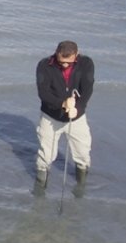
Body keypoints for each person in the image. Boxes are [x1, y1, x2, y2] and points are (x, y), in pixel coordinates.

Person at [35, 40, 94, 193]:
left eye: (69, 62)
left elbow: (87, 90)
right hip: (50, 117)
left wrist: (78, 108)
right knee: (45, 157)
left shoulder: (86, 63)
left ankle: (80, 189)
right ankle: (40, 191)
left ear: (77, 55)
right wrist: (62, 103)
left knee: (83, 154)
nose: (65, 65)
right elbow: (43, 93)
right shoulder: (44, 65)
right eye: (61, 62)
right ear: (56, 53)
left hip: (76, 118)